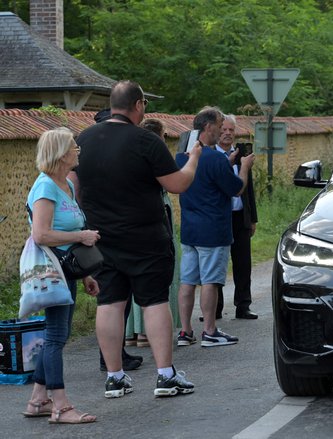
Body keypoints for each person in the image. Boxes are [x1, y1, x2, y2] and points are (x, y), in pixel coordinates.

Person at [76, 80, 201, 398]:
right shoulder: (145, 140)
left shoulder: (83, 140)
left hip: (101, 238)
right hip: (145, 238)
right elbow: (177, 184)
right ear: (139, 105)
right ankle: (165, 376)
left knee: (110, 303)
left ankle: (115, 377)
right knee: (154, 302)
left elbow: (73, 189)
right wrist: (194, 158)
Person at [23, 127, 99, 424]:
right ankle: (61, 406)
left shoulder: (65, 183)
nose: (78, 150)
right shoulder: (45, 187)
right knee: (55, 336)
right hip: (50, 270)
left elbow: (66, 234)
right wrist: (82, 235)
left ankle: (38, 400)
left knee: (57, 334)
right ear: (60, 153)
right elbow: (41, 234)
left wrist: (84, 275)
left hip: (66, 268)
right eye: (73, 146)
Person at [176, 107, 255, 348]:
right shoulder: (214, 159)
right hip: (213, 230)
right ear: (208, 126)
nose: (223, 129)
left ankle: (186, 331)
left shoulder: (182, 157)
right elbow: (236, 189)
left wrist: (226, 163)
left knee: (188, 281)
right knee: (210, 281)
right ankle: (210, 330)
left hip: (189, 229)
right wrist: (243, 167)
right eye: (220, 124)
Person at [83, 108, 143, 372]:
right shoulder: (107, 154)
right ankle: (110, 356)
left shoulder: (87, 150)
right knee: (114, 299)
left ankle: (113, 354)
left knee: (111, 299)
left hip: (97, 231)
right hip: (106, 233)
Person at [123, 118, 182, 348]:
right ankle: (147, 333)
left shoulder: (129, 153)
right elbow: (172, 183)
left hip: (129, 223)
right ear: (161, 136)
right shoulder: (154, 153)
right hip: (154, 219)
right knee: (155, 279)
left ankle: (132, 332)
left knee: (130, 281)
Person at [214, 114, 258, 320]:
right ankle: (215, 307)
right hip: (220, 218)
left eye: (231, 130)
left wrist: (253, 219)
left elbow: (249, 190)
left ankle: (243, 305)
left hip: (240, 217)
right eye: (223, 130)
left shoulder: (242, 156)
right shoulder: (211, 157)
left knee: (243, 263)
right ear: (216, 131)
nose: (227, 134)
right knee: (217, 262)